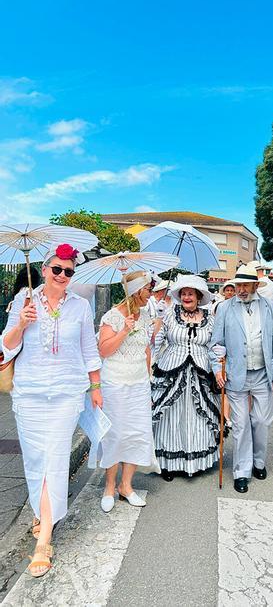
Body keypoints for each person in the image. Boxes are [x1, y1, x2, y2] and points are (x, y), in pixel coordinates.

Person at [1, 244, 101, 578]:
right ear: (44, 269)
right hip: (28, 394)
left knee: (56, 459)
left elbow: (89, 348)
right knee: (35, 460)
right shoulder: (22, 302)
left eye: (68, 271)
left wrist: (96, 386)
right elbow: (6, 346)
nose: (61, 276)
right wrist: (21, 323)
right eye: (56, 269)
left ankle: (44, 538)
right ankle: (41, 510)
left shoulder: (81, 306)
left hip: (66, 394)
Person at [210, 265, 273, 494]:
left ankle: (258, 461)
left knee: (261, 421)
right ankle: (241, 471)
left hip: (263, 373)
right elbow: (215, 343)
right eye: (238, 285)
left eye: (245, 285)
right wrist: (217, 369)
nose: (241, 289)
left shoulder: (270, 307)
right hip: (235, 374)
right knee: (241, 424)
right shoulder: (224, 308)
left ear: (255, 285)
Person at [95, 271, 157, 512]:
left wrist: (149, 379)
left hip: (139, 384)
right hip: (115, 384)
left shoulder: (145, 315)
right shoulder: (112, 316)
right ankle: (109, 487)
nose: (150, 294)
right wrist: (123, 331)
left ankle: (126, 485)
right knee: (116, 435)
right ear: (136, 290)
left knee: (136, 433)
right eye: (148, 290)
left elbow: (146, 349)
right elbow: (104, 350)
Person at [150, 274, 220, 479]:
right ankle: (168, 463)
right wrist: (158, 320)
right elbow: (156, 341)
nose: (187, 297)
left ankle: (196, 461)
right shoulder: (169, 314)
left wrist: (219, 366)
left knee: (197, 416)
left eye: (190, 293)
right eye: (183, 293)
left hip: (201, 371)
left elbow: (214, 345)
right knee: (171, 415)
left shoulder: (210, 319)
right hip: (171, 368)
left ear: (198, 297)